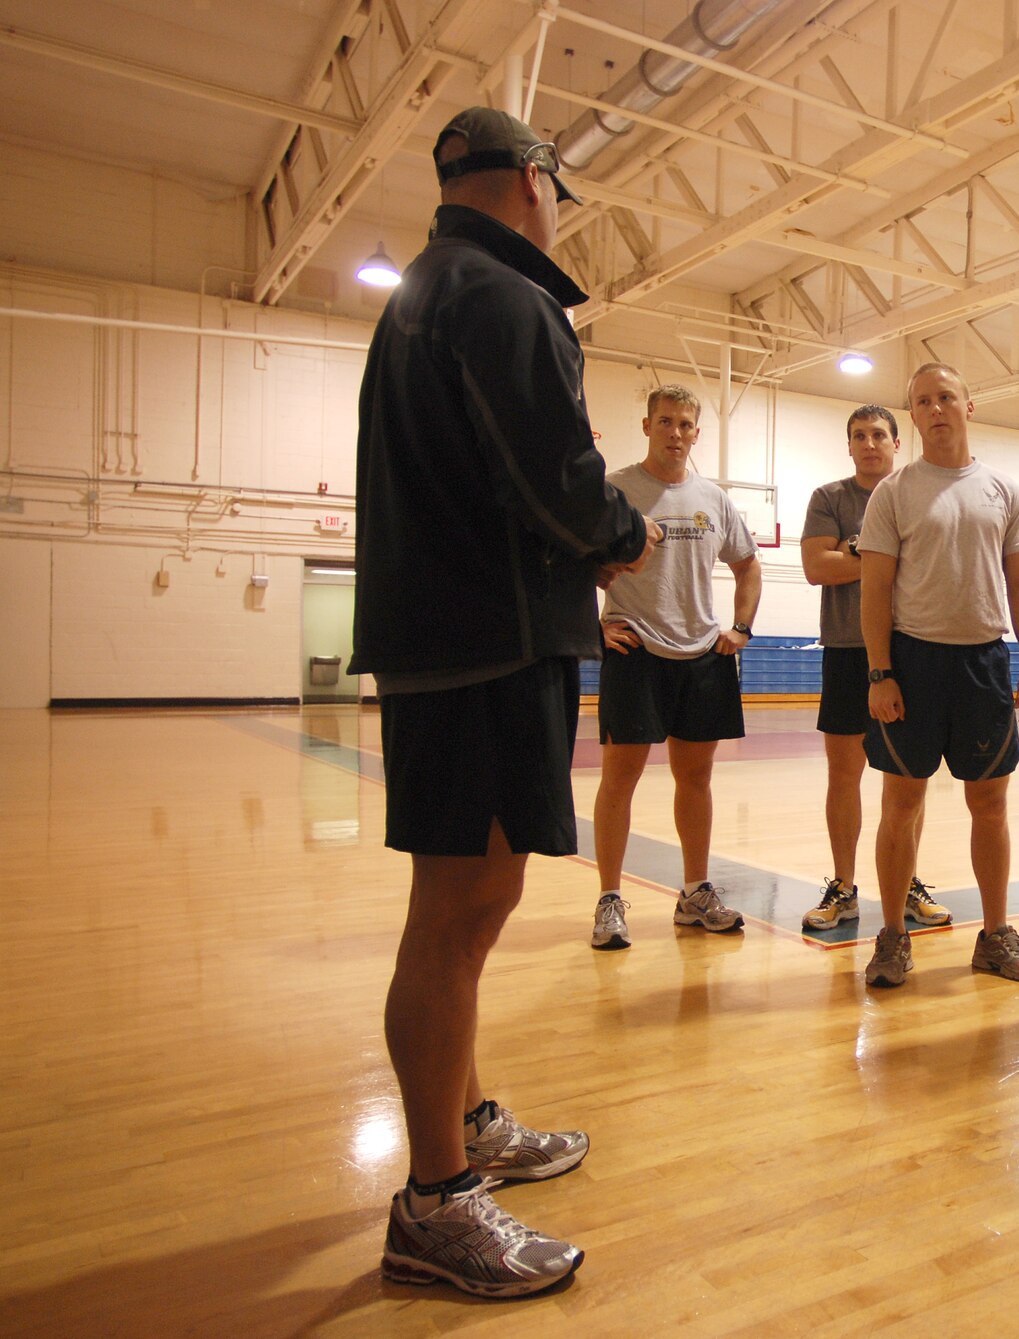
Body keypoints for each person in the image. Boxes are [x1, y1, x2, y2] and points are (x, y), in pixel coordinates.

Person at [352, 106, 661, 1297]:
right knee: (457, 906)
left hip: (463, 638)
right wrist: (619, 533)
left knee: (471, 902)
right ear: (533, 179)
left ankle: (464, 1120)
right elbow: (557, 471)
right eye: (553, 187)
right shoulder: (496, 294)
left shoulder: (433, 284)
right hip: (482, 643)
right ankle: (434, 1200)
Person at [857, 362, 1019, 988]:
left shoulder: (1004, 491)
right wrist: (880, 672)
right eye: (923, 401)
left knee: (989, 804)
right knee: (900, 804)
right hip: (912, 665)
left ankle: (994, 935)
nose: (936, 408)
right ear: (912, 414)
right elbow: (875, 589)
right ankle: (892, 936)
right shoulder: (894, 493)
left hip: (984, 664)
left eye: (946, 397)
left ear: (971, 404)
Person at [588, 385, 763, 950]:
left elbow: (748, 564)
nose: (676, 433)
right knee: (620, 780)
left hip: (702, 655)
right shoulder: (614, 489)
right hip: (634, 652)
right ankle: (609, 900)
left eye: (686, 424)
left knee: (697, 779)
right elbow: (568, 561)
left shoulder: (714, 498)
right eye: (666, 422)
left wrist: (740, 628)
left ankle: (693, 893)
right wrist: (593, 626)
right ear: (646, 426)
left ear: (696, 433)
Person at [798, 406, 951, 933]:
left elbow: (926, 562)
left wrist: (856, 551)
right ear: (849, 445)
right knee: (844, 775)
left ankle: (905, 882)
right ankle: (844, 886)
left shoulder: (918, 492)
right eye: (859, 436)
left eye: (879, 435)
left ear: (896, 442)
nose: (869, 443)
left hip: (908, 650)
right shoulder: (829, 498)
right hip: (846, 651)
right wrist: (887, 555)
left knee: (907, 779)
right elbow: (818, 568)